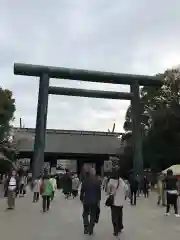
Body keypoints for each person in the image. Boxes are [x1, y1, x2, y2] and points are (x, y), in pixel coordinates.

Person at [80, 168, 101, 236]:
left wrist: (81, 198)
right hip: (94, 201)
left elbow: (82, 191)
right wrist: (99, 201)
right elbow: (99, 193)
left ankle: (86, 227)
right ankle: (91, 228)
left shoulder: (85, 180)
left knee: (85, 214)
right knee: (93, 215)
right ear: (94, 173)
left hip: (86, 200)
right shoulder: (97, 181)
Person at [107, 167, 126, 237]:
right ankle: (120, 226)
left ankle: (116, 230)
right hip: (121, 202)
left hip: (114, 202)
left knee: (114, 216)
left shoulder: (111, 181)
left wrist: (111, 192)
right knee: (120, 215)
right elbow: (126, 189)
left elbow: (108, 191)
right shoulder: (122, 181)